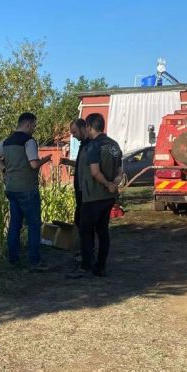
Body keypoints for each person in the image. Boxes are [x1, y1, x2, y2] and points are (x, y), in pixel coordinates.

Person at [0, 112, 53, 271]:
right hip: (27, 189)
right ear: (28, 124)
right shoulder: (29, 141)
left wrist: (3, 168)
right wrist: (45, 159)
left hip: (11, 188)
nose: (34, 129)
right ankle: (35, 261)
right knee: (34, 224)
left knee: (15, 223)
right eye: (34, 126)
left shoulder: (7, 141)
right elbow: (33, 165)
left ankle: (13, 258)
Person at [73, 113, 123, 278]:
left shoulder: (94, 145)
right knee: (103, 231)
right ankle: (101, 266)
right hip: (108, 198)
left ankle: (86, 265)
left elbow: (94, 171)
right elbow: (120, 171)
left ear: (88, 127)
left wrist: (107, 183)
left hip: (92, 196)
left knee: (86, 231)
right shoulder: (114, 145)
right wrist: (113, 184)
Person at [60, 118, 90, 228]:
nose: (73, 136)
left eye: (74, 132)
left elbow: (92, 168)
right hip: (80, 191)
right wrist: (69, 162)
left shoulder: (91, 146)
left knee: (84, 222)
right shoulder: (83, 144)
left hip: (86, 192)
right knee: (79, 221)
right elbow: (83, 164)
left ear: (83, 129)